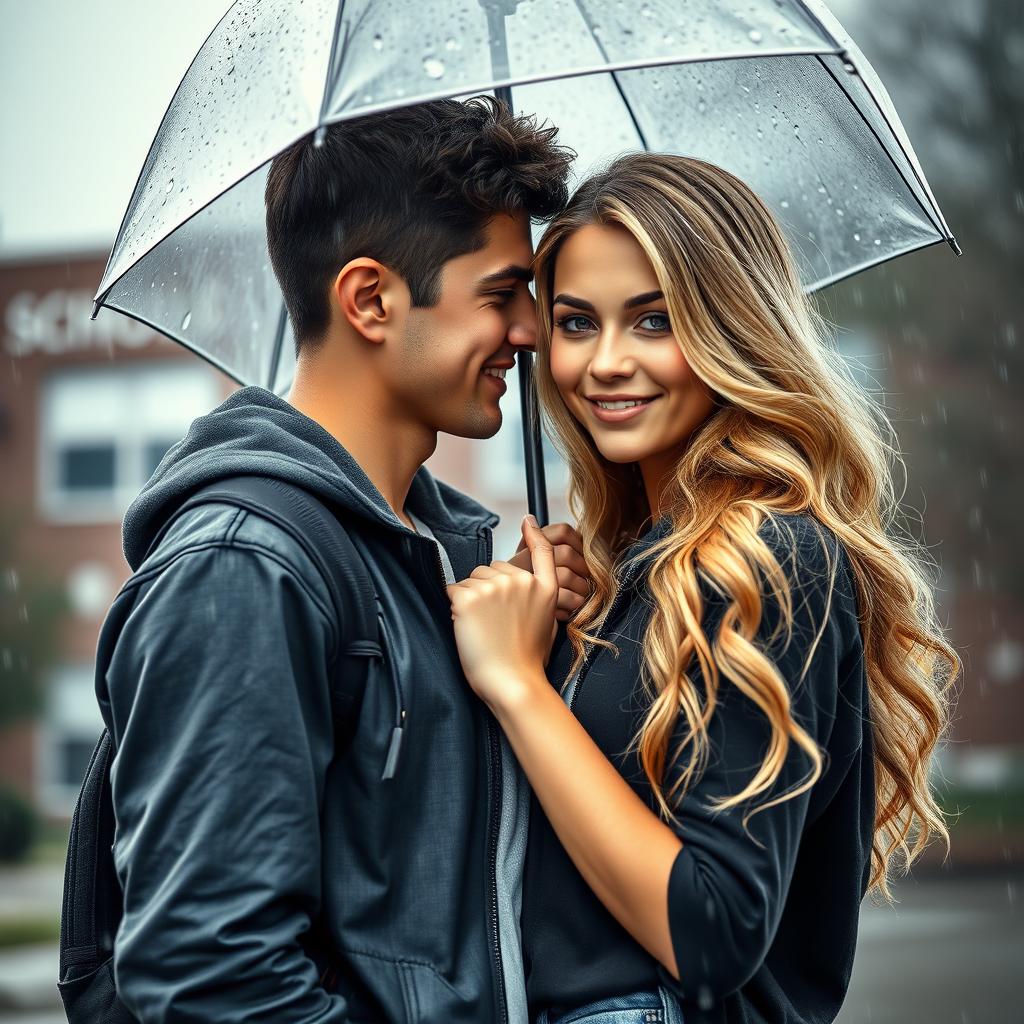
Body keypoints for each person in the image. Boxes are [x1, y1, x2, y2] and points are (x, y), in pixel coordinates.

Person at [95, 96, 589, 1023]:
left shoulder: (452, 565)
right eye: (500, 294)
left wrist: (540, 660)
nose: (531, 333)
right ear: (370, 299)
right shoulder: (244, 572)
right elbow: (211, 978)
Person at [445, 152, 960, 1024]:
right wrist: (570, 638)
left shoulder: (772, 562)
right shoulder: (646, 569)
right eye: (575, 323)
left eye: (653, 322)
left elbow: (714, 930)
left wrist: (520, 689)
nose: (604, 362)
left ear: (729, 329)